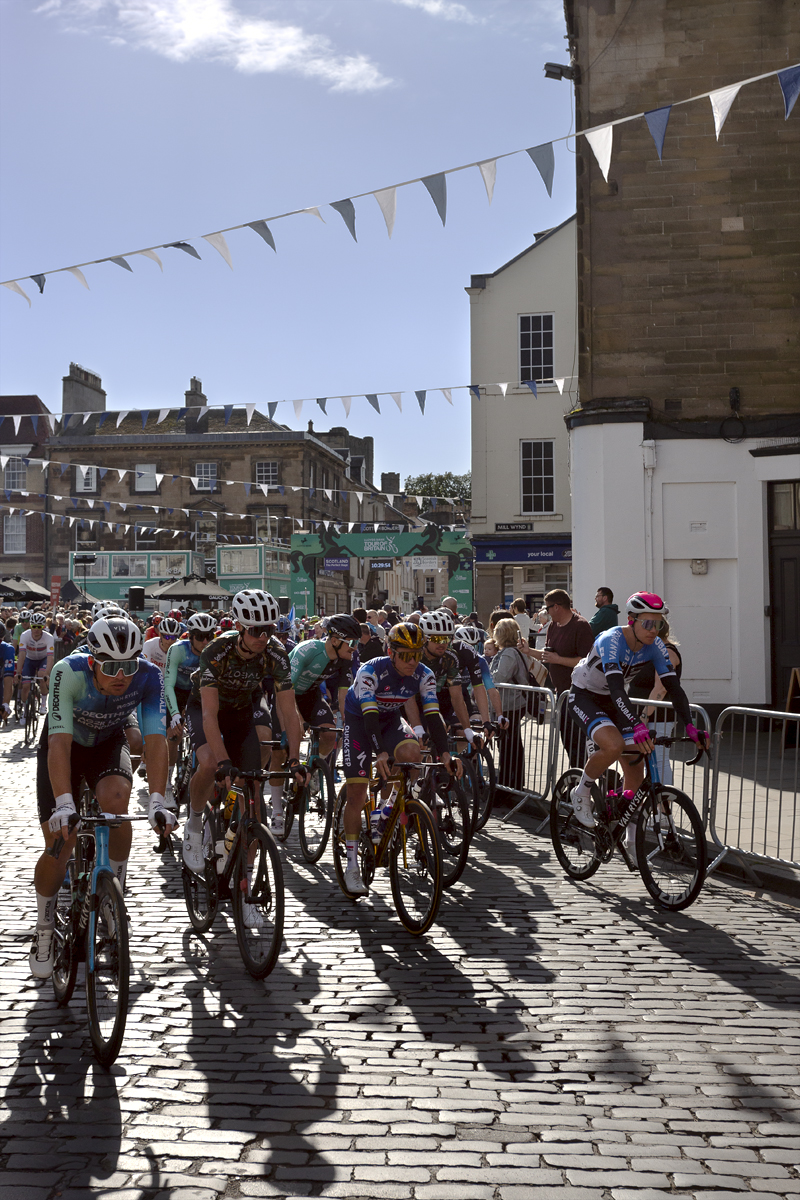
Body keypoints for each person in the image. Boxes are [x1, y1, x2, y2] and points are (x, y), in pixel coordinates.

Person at [29, 616, 172, 979]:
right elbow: (58, 743)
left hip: (107, 743)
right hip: (66, 746)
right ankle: (45, 927)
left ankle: (113, 898)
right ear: (92, 661)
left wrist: (158, 800)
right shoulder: (69, 671)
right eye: (110, 666)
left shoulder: (148, 675)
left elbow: (156, 741)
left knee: (117, 802)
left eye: (127, 665)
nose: (121, 675)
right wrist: (64, 802)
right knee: (61, 841)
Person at [567, 593, 707, 859]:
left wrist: (690, 727)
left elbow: (674, 689)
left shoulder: (655, 646)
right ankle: (581, 790)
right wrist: (636, 723)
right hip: (585, 695)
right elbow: (618, 689)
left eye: (659, 624)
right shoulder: (612, 640)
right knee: (615, 745)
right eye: (648, 624)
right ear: (631, 621)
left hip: (613, 699)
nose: (654, 630)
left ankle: (630, 838)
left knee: (636, 764)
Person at [181, 589, 307, 879]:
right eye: (255, 630)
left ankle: (246, 880)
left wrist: (295, 758)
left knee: (252, 794)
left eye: (269, 629)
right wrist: (224, 761)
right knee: (211, 762)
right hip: (206, 709)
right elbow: (211, 715)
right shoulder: (217, 651)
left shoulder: (276, 653)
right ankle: (195, 821)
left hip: (240, 711)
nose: (263, 637)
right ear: (238, 626)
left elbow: (289, 712)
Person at [340, 621, 461, 895]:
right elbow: (369, 717)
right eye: (405, 655)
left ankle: (384, 810)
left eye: (417, 654)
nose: (412, 661)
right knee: (357, 794)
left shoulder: (424, 674)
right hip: (361, 721)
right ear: (391, 652)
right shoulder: (370, 670)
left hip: (391, 720)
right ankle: (351, 865)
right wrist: (379, 751)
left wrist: (445, 754)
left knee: (412, 753)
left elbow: (432, 716)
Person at [529, 589, 594, 767]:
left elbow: (587, 661)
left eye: (548, 608)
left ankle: (584, 778)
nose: (546, 612)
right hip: (561, 693)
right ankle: (576, 776)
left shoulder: (581, 626)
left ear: (557, 607)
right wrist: (528, 652)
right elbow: (548, 655)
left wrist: (559, 660)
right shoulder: (553, 627)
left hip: (581, 694)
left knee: (579, 741)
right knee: (567, 738)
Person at [163, 611, 218, 805]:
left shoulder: (214, 652)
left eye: (209, 637)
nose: (205, 642)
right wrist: (176, 714)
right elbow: (167, 684)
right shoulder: (178, 650)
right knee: (174, 735)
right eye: (201, 637)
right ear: (191, 636)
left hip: (200, 693)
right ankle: (167, 786)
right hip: (177, 692)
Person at [628, 617, 682, 786]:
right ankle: (652, 807)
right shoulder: (652, 651)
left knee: (659, 762)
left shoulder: (668, 652)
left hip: (658, 717)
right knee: (648, 763)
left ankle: (663, 810)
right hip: (645, 715)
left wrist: (644, 716)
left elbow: (661, 688)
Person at [488, 618, 532, 792]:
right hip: (512, 703)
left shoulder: (508, 653)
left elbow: (500, 677)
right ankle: (513, 780)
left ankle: (508, 782)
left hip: (509, 704)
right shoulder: (514, 651)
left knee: (508, 745)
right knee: (512, 743)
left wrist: (486, 675)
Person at [15, 612, 55, 716]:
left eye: (39, 627)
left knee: (42, 676)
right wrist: (18, 672)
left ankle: (43, 703)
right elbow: (22, 654)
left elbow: (50, 657)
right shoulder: (25, 635)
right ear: (30, 625)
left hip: (43, 659)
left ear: (43, 627)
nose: (36, 629)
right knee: (25, 686)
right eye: (34, 626)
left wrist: (47, 673)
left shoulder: (48, 637)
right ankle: (24, 710)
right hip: (30, 659)